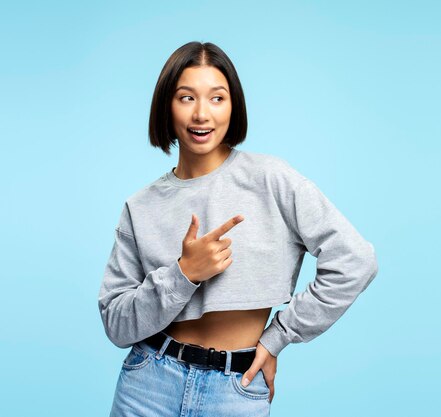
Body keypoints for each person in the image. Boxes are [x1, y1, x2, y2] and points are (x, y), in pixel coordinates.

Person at [98, 41, 379, 417]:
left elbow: (355, 261)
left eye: (217, 98)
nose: (201, 114)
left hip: (235, 390)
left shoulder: (271, 180)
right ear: (167, 105)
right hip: (146, 385)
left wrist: (278, 337)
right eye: (186, 98)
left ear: (234, 106)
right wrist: (184, 274)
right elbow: (116, 324)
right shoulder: (141, 206)